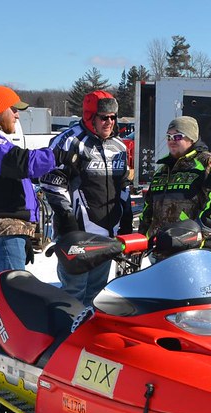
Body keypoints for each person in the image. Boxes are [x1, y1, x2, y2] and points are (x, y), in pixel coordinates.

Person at [0, 85, 73, 281]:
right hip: (1, 229)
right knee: (13, 296)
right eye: (13, 110)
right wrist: (57, 155)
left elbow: (12, 173)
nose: (17, 115)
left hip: (7, 230)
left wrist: (23, 232)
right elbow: (17, 163)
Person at [41, 90, 131, 306]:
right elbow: (51, 181)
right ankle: (65, 337)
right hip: (77, 237)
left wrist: (125, 218)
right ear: (90, 116)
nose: (109, 122)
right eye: (103, 117)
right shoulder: (69, 141)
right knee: (74, 295)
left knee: (97, 297)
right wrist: (66, 219)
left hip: (106, 237)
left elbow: (124, 185)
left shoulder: (118, 147)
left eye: (113, 117)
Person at [137, 116, 211, 254]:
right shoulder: (162, 170)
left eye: (177, 137)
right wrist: (142, 239)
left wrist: (202, 229)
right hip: (160, 251)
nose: (171, 141)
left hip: (195, 251)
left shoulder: (210, 164)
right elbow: (148, 208)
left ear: (191, 138)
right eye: (169, 137)